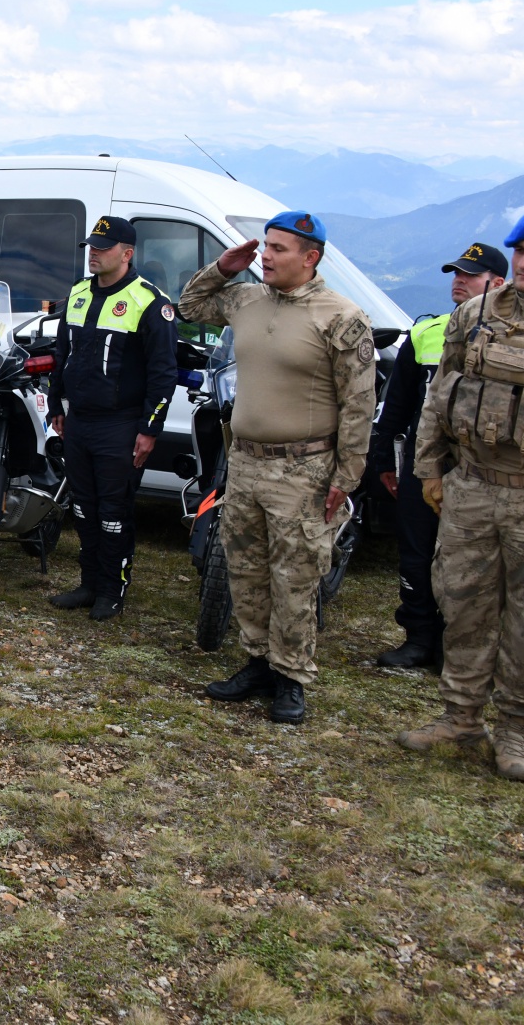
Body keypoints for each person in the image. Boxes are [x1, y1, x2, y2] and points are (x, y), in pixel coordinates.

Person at [397, 204, 524, 783]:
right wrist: (430, 470)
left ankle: (517, 733)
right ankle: (460, 717)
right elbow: (438, 398)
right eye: (520, 251)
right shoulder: (474, 316)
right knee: (465, 606)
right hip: (472, 488)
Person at [180, 212, 376, 725]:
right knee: (246, 569)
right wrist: (223, 267)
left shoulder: (340, 317)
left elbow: (358, 405)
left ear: (311, 258)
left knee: (295, 576)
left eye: (279, 248)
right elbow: (189, 306)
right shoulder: (246, 299)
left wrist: (345, 478)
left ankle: (291, 677)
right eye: (265, 245)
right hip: (244, 461)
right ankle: (258, 662)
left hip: (304, 468)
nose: (265, 255)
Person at [368, 242, 506, 670]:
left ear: (498, 284)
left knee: (474, 561)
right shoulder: (428, 333)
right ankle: (419, 636)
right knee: (416, 551)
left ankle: (462, 645)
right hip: (423, 462)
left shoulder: (515, 338)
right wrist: (384, 461)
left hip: (482, 470)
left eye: (470, 274)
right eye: (455, 273)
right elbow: (396, 406)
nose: (458, 281)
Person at [45, 217, 177, 621]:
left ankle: (112, 591)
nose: (94, 252)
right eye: (91, 245)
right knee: (83, 509)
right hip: (80, 422)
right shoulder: (79, 293)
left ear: (127, 252)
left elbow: (163, 373)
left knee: (113, 511)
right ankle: (89, 584)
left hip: (120, 425)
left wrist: (149, 430)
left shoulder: (149, 301)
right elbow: (61, 356)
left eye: (103, 246)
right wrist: (56, 406)